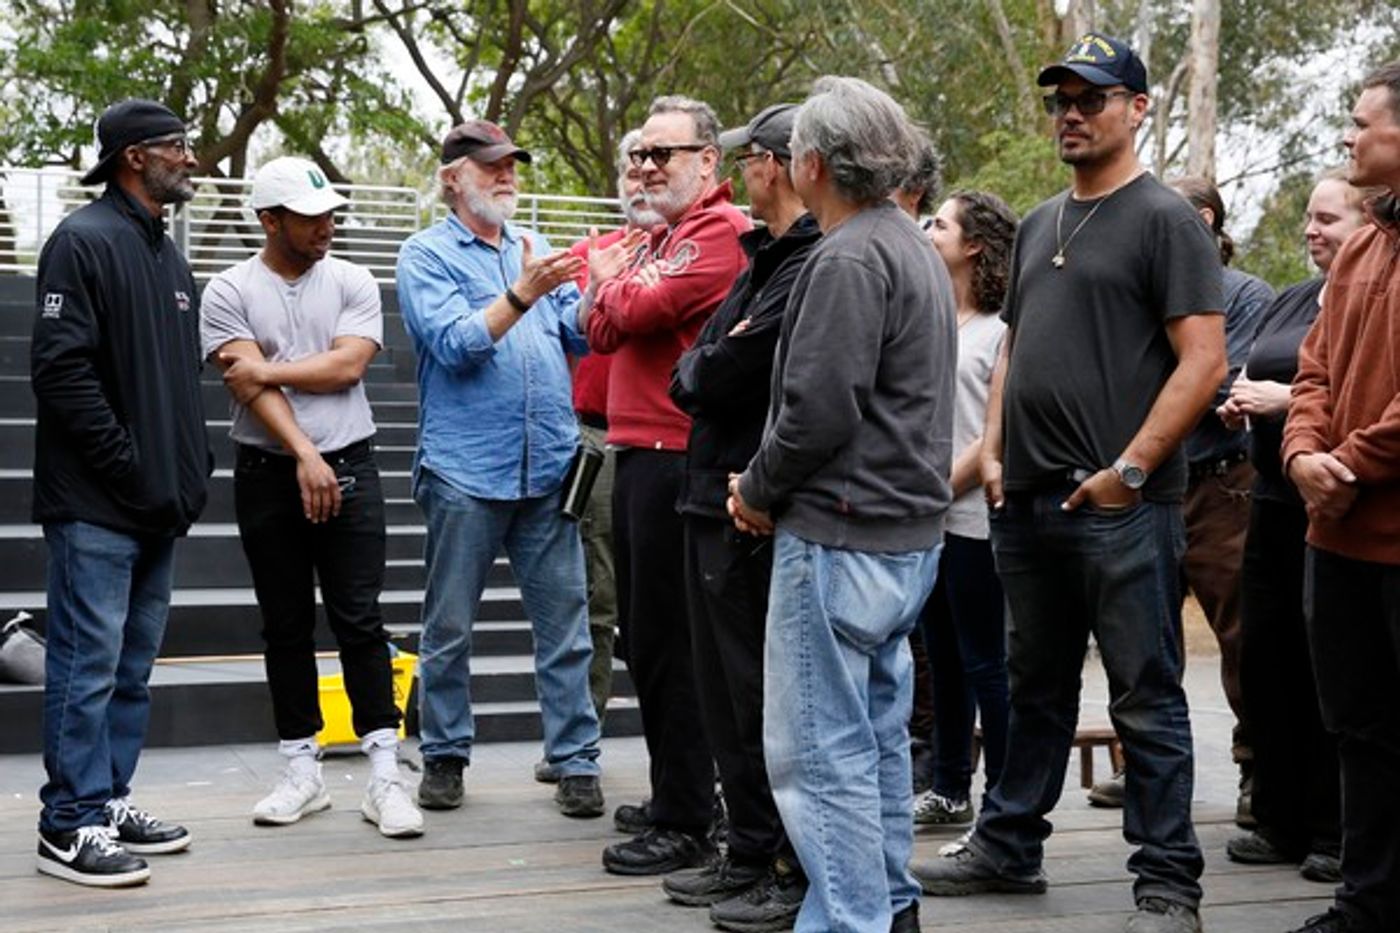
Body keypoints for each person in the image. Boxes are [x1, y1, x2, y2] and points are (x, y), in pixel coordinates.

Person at [912, 34, 1225, 933]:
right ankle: (1010, 844)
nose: (1072, 114)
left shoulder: (1165, 219)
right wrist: (995, 452)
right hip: (1027, 501)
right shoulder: (1045, 220)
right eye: (1062, 101)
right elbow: (1014, 347)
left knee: (1145, 695)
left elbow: (1204, 361)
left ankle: (1168, 885)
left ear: (1137, 108)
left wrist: (1130, 469)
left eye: (1093, 98)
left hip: (1121, 507)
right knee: (1033, 685)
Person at [728, 75, 956, 933]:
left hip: (842, 536)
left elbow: (818, 411)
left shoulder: (850, 255)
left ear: (813, 164)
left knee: (819, 754)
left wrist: (756, 488)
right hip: (902, 535)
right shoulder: (910, 245)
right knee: (876, 738)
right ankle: (889, 907)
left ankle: (857, 919)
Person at [200, 156, 423, 838]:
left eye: (329, 214)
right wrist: (305, 453)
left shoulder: (352, 278)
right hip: (269, 471)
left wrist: (268, 370)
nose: (326, 226)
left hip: (351, 463)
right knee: (285, 622)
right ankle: (302, 770)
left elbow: (347, 366)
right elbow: (248, 388)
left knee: (361, 618)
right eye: (309, 217)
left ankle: (385, 773)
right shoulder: (228, 288)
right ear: (269, 221)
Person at [396, 119, 604, 820]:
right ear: (453, 179)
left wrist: (599, 293)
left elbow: (578, 334)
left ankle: (576, 761)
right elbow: (455, 345)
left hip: (548, 465)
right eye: (491, 166)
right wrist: (521, 293)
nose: (507, 175)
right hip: (464, 470)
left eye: (512, 163)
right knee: (449, 627)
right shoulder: (424, 255)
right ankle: (444, 755)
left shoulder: (532, 245)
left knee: (567, 626)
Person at [30, 99, 211, 887]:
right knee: (87, 666)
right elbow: (60, 371)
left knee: (131, 668)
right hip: (96, 505)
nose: (191, 159)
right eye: (178, 146)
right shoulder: (82, 240)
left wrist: (188, 470)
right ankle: (67, 824)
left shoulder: (168, 256)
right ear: (135, 156)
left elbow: (178, 383)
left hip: (157, 504)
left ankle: (106, 799)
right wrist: (130, 465)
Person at [582, 95, 751, 875]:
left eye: (662, 154)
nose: (645, 168)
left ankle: (687, 817)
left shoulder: (717, 231)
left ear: (708, 161)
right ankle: (676, 792)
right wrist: (612, 288)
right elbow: (599, 328)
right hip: (639, 453)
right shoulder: (658, 237)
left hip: (678, 455)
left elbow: (637, 306)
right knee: (648, 640)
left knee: (672, 644)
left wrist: (611, 283)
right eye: (639, 155)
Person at [663, 103, 821, 932]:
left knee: (762, 691)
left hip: (751, 502)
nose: (743, 171)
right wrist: (707, 364)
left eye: (750, 157)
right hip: (708, 491)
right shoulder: (759, 256)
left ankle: (783, 858)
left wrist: (707, 364)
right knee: (724, 689)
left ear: (778, 164)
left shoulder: (810, 261)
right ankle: (749, 847)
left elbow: (728, 369)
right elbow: (698, 363)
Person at [1087, 177, 1273, 814]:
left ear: (1204, 219)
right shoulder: (1140, 297)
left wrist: (1150, 391)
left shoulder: (1243, 295)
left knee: (1241, 636)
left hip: (1220, 487)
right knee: (1139, 636)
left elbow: (1220, 385)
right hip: (1144, 487)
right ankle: (1145, 767)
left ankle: (1258, 771)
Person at [1218, 170, 1369, 886]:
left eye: (1329, 220)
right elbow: (1263, 369)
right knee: (1266, 657)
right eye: (1309, 218)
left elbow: (1352, 391)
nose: (1312, 230)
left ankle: (1336, 829)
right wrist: (1244, 403)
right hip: (1270, 499)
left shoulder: (1368, 301)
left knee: (1325, 667)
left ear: (1367, 226)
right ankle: (1278, 815)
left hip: (1335, 503)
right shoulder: (1294, 298)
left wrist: (1286, 402)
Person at [1280, 62, 1400, 933]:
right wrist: (1300, 454)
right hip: (1335, 537)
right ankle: (1366, 905)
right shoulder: (1360, 246)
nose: (1348, 137)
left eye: (1362, 123)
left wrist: (1344, 465)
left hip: (1383, 526)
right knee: (1359, 728)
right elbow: (1313, 368)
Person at [533, 129, 662, 787]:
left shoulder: (689, 253)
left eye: (653, 167)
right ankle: (580, 742)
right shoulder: (587, 254)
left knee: (655, 603)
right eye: (631, 169)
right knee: (593, 594)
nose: (641, 180)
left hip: (664, 444)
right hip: (591, 437)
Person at [913, 191, 1017, 830]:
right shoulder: (930, 321)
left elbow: (993, 431)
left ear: (974, 245)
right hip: (927, 520)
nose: (928, 231)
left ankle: (1004, 799)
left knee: (985, 662)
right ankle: (950, 787)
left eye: (941, 224)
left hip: (975, 519)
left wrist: (939, 489)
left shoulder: (1000, 330)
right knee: (941, 660)